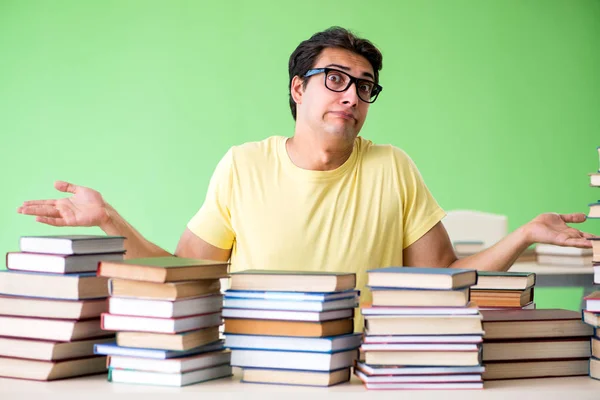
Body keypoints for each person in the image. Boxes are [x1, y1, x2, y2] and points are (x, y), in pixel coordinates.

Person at [18, 27, 594, 322]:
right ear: (298, 89)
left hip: (366, 366)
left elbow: (443, 274)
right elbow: (188, 273)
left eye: (364, 86)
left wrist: (522, 234)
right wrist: (109, 221)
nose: (352, 95)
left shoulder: (393, 166)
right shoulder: (242, 164)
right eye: (336, 78)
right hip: (258, 361)